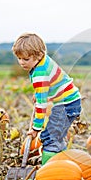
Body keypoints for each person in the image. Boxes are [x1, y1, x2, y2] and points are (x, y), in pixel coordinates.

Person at [12, 33, 81, 165]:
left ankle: (49, 169)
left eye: (25, 59)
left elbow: (42, 105)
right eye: (19, 58)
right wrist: (40, 93)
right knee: (54, 136)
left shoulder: (40, 73)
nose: (21, 62)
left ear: (38, 55)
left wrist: (36, 128)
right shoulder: (43, 60)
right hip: (69, 102)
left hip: (67, 105)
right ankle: (61, 162)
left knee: (50, 137)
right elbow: (50, 83)